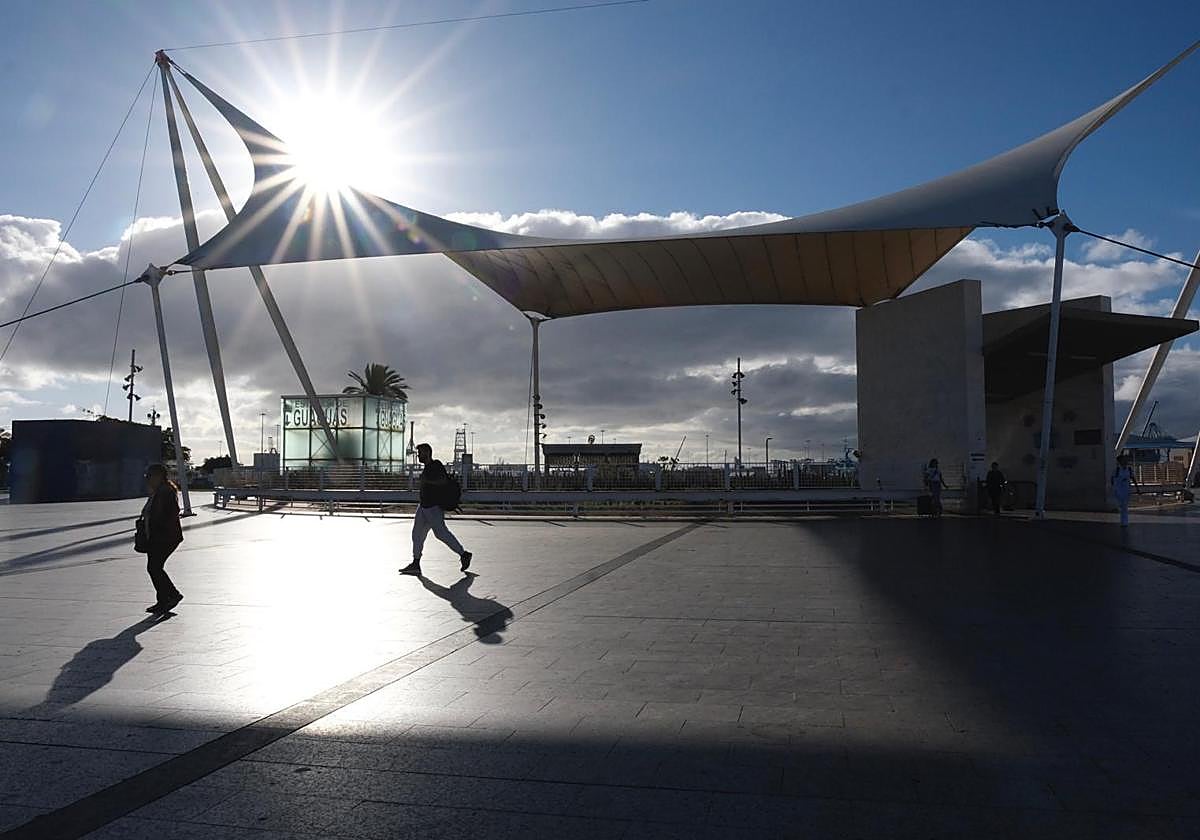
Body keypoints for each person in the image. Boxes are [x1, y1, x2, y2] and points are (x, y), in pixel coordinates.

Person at [399, 443, 472, 575]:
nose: (418, 455)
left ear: (427, 453)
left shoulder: (436, 465)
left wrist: (427, 481)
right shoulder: (427, 468)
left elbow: (442, 481)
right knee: (417, 534)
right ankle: (416, 563)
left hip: (433, 508)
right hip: (423, 506)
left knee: (441, 533)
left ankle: (464, 554)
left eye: (420, 453)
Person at [140, 463, 184, 613]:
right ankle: (164, 599)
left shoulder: (165, 492)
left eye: (149, 476)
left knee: (154, 568)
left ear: (158, 476)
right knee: (155, 568)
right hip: (160, 536)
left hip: (165, 537)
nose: (147, 479)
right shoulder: (159, 490)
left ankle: (172, 595)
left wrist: (158, 527)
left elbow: (170, 513)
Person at [1112, 454, 1138, 527]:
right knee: (1122, 505)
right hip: (1119, 489)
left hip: (1126, 489)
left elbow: (1133, 478)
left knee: (1125, 505)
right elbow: (1113, 479)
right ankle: (1123, 521)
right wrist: (1114, 488)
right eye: (1123, 460)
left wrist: (1137, 488)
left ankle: (1124, 522)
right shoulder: (1117, 470)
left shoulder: (1129, 469)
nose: (1125, 462)